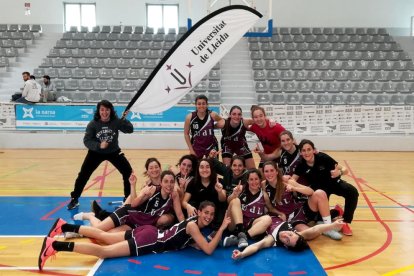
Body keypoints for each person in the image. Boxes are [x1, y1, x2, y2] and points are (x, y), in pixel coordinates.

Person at [38, 201, 231, 271]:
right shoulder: (194, 227)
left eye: (212, 215)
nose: (208, 216)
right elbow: (207, 250)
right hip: (150, 240)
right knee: (104, 251)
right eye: (206, 213)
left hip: (149, 231)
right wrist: (221, 228)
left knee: (103, 236)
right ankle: (54, 247)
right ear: (199, 212)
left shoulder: (192, 224)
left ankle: (64, 226)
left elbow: (194, 242)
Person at [67, 100, 133, 210]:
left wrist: (124, 120)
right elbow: (87, 141)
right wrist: (98, 146)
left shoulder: (116, 121)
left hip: (114, 152)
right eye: (102, 110)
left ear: (111, 111)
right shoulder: (93, 124)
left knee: (128, 172)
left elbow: (130, 130)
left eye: (107, 110)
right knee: (83, 174)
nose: (105, 112)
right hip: (95, 153)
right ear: (98, 111)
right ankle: (75, 199)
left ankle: (127, 199)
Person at [74, 171, 184, 232]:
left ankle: (91, 220)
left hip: (137, 225)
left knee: (107, 235)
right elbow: (134, 204)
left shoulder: (173, 195)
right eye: (166, 181)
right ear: (161, 182)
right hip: (128, 214)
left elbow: (179, 214)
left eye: (171, 182)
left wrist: (185, 227)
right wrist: (143, 195)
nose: (169, 185)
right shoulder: (153, 190)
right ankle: (89, 217)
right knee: (98, 230)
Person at [292, 139, 359, 236]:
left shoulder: (323, 157)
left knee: (352, 192)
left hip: (333, 183)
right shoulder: (301, 165)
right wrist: (290, 182)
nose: (306, 153)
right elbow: (293, 179)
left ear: (313, 150)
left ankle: (345, 221)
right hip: (320, 192)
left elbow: (345, 169)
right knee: (318, 220)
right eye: (303, 150)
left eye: (309, 149)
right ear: (300, 152)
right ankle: (336, 212)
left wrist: (339, 173)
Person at [263, 163, 343, 240]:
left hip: (301, 210)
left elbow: (310, 191)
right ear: (263, 173)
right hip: (291, 219)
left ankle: (327, 226)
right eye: (266, 171)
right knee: (309, 235)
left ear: (277, 171)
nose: (269, 173)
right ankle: (319, 224)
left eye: (272, 170)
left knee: (320, 193)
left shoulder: (287, 182)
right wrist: (280, 213)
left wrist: (294, 188)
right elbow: (269, 207)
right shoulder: (263, 186)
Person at [223, 169, 282, 249]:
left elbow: (270, 209)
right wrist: (234, 194)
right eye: (251, 179)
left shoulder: (264, 195)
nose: (254, 182)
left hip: (251, 227)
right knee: (235, 200)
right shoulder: (241, 190)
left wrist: (281, 213)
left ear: (260, 180)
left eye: (256, 179)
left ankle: (240, 238)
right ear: (247, 181)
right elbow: (229, 202)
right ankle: (240, 233)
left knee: (268, 219)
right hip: (235, 225)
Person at [231, 218, 344, 260]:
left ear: (285, 245)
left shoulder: (272, 239)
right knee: (311, 232)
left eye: (287, 240)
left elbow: (256, 246)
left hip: (256, 221)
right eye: (290, 234)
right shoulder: (298, 235)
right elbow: (315, 229)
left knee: (267, 220)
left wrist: (242, 254)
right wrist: (332, 225)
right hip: (273, 212)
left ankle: (239, 236)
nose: (286, 235)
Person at [182, 158, 227, 229]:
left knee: (223, 206)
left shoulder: (219, 181)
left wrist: (220, 191)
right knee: (191, 204)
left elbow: (223, 199)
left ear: (211, 169)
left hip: (215, 212)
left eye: (207, 167)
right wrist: (188, 206)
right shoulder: (193, 182)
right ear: (198, 170)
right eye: (202, 167)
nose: (205, 170)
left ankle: (216, 229)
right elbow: (184, 202)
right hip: (200, 213)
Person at [184, 95, 224, 159]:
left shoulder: (212, 114)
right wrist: (191, 150)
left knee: (213, 167)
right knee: (197, 167)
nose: (201, 106)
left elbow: (222, 121)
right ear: (196, 105)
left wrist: (214, 126)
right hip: (197, 148)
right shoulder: (190, 117)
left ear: (207, 104)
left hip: (211, 147)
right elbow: (186, 134)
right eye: (199, 104)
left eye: (203, 103)